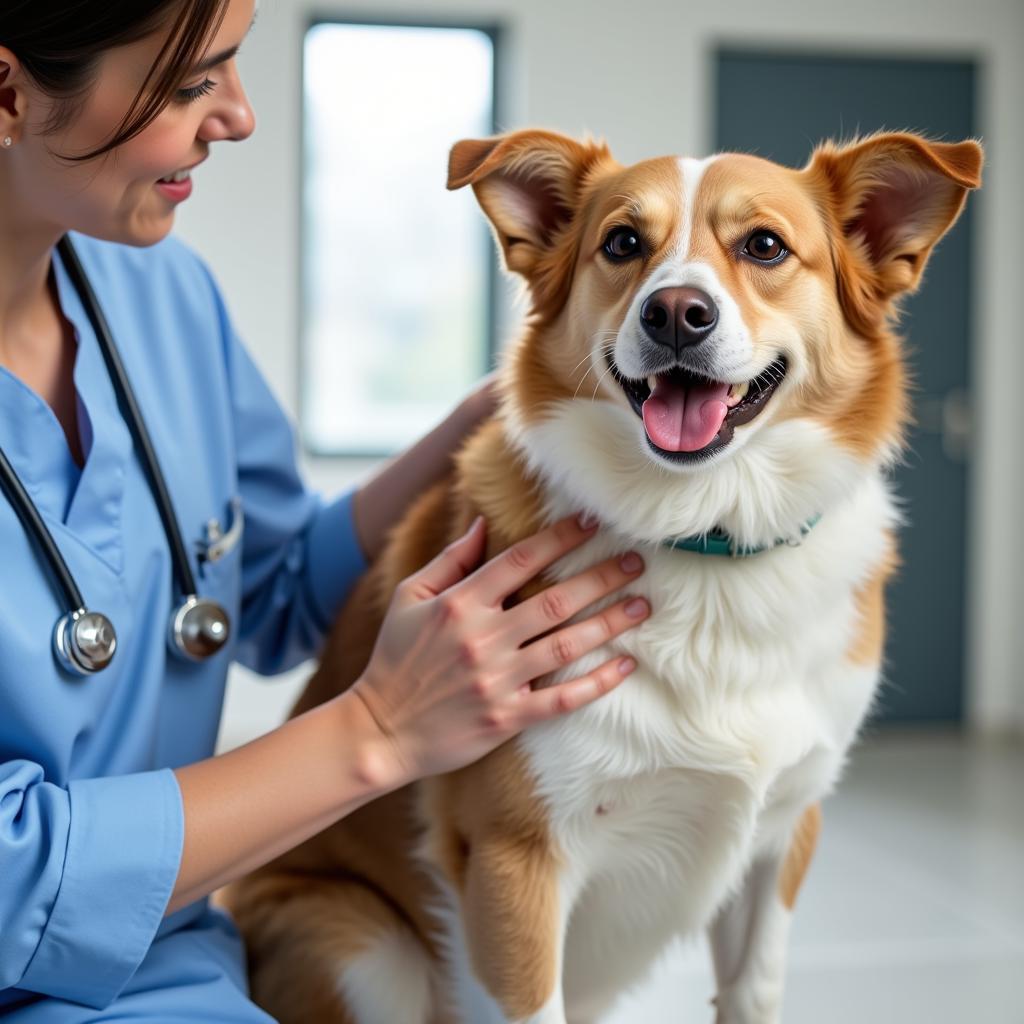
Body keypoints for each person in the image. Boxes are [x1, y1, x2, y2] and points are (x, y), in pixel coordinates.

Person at [0, 1, 652, 1019]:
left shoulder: (161, 295)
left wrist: (490, 418)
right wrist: (380, 727)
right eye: (190, 84)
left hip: (167, 957)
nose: (241, 116)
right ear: (7, 93)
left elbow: (270, 586)